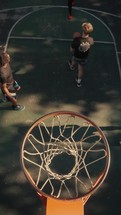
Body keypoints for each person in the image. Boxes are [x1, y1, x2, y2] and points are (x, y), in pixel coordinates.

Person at [68, 22, 94, 87]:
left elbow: (71, 50)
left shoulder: (77, 40)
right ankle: (78, 83)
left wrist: (74, 39)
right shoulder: (91, 40)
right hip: (84, 58)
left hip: (76, 56)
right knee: (81, 69)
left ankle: (72, 67)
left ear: (83, 30)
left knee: (73, 61)